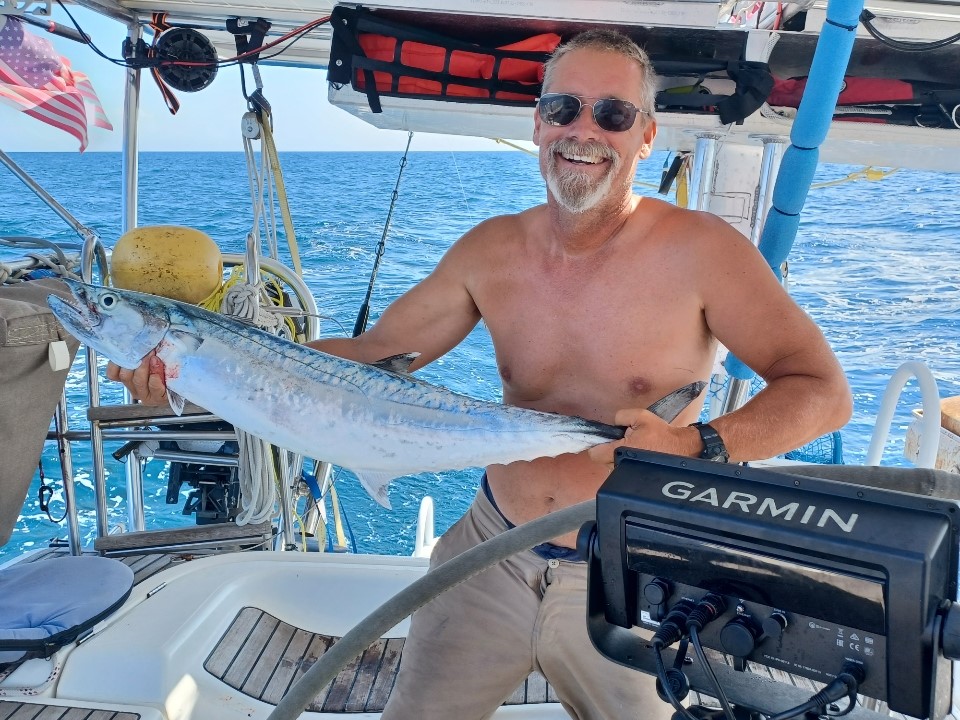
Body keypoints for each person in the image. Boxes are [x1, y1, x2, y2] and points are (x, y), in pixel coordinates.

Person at [109, 29, 852, 720]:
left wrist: (700, 447)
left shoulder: (704, 252)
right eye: (562, 108)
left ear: (648, 135)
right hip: (488, 550)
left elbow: (822, 392)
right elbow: (373, 357)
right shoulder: (490, 250)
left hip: (631, 571)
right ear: (538, 124)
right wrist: (197, 370)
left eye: (614, 113)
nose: (582, 131)